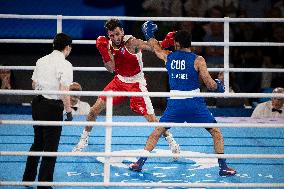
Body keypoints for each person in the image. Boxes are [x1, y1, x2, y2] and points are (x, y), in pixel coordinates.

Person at [129, 21, 237, 177]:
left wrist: (150, 34)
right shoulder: (198, 60)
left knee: (157, 131)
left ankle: (139, 162)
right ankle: (223, 167)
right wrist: (220, 86)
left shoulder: (169, 57)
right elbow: (209, 84)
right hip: (194, 104)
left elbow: (155, 47)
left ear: (176, 43)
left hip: (175, 104)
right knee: (216, 132)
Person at [72, 19, 180, 158]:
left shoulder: (131, 42)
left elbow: (151, 47)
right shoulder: (108, 44)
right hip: (119, 81)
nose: (115, 38)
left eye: (117, 34)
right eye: (111, 35)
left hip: (136, 84)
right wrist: (104, 51)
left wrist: (164, 43)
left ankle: (172, 142)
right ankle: (83, 140)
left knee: (151, 119)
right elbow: (111, 68)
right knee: (94, 110)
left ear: (122, 31)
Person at [22, 33, 73, 189]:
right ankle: (44, 185)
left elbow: (33, 84)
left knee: (37, 142)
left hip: (37, 103)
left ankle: (27, 179)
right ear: (67, 48)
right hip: (52, 107)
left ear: (53, 45)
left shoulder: (41, 60)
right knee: (50, 147)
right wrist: (69, 110)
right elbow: (64, 90)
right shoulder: (65, 65)